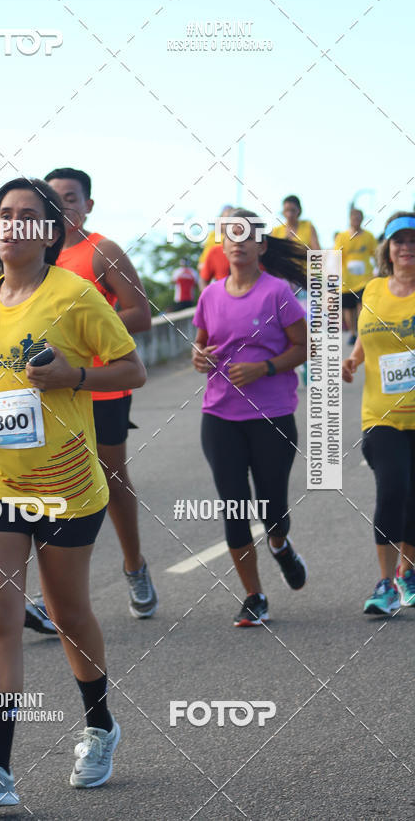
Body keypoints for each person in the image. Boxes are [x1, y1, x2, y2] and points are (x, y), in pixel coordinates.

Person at [0, 178, 146, 806]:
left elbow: (132, 367)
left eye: (27, 216)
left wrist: (73, 376)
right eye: (3, 215)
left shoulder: (77, 295)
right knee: (0, 615)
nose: (11, 225)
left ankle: (100, 725)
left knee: (68, 615)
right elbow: (1, 366)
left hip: (64, 479)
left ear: (51, 232)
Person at [45, 167, 157, 619]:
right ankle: (57, 596)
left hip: (102, 388)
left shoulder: (101, 251)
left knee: (111, 478)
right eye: (55, 199)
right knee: (51, 483)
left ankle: (134, 565)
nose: (65, 206)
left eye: (73, 198)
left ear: (88, 204)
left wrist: (85, 336)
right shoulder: (37, 256)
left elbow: (140, 314)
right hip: (52, 389)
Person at [192, 210, 308, 626]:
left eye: (247, 235)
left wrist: (266, 368)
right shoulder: (210, 296)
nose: (237, 241)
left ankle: (280, 545)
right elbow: (202, 345)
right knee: (234, 506)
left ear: (261, 245)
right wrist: (199, 357)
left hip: (272, 416)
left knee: (273, 508)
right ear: (221, 245)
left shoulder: (277, 293)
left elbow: (304, 347)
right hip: (220, 416)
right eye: (230, 234)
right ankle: (254, 595)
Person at [342, 213, 415, 614]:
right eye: (398, 241)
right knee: (393, 489)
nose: (406, 248)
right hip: (381, 415)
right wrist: (353, 359)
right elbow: (368, 338)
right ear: (387, 248)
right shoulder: (371, 290)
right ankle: (386, 584)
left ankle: (409, 572)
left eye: (413, 241)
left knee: (413, 499)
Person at [334, 208, 377, 345]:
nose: (356, 220)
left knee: (362, 305)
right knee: (348, 308)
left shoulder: (368, 236)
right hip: (347, 279)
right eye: (354, 217)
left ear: (362, 219)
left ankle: (361, 331)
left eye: (359, 217)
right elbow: (337, 255)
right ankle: (352, 332)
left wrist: (379, 270)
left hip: (365, 278)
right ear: (350, 219)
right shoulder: (342, 236)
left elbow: (375, 254)